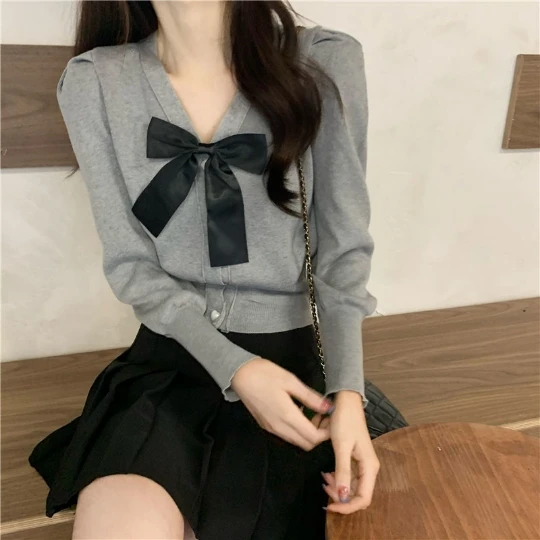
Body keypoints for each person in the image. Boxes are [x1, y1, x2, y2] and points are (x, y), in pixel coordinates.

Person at [28, 1, 380, 538]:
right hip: (172, 367)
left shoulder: (323, 62)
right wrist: (237, 369)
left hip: (299, 377)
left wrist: (348, 395)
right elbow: (131, 265)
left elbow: (342, 251)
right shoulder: (94, 81)